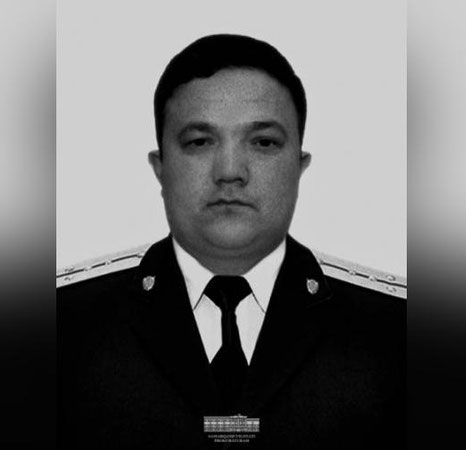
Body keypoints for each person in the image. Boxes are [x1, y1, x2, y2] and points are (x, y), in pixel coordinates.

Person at [57, 34, 405, 449]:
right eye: (199, 142)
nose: (229, 172)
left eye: (263, 142)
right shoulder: (66, 323)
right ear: (160, 166)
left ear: (299, 165)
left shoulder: (394, 329)